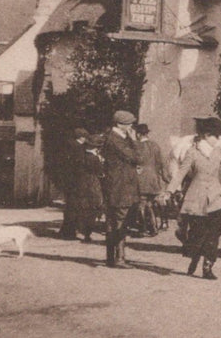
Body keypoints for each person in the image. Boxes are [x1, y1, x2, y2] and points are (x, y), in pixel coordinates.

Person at [178, 117, 221, 279]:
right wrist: (169, 191)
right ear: (206, 135)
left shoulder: (218, 151)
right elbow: (181, 173)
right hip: (197, 198)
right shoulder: (192, 152)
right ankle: (195, 256)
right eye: (216, 136)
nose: (218, 139)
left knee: (215, 232)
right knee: (199, 233)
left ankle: (208, 266)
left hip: (216, 197)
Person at [101, 110, 143, 268]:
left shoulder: (115, 138)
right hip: (120, 187)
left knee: (114, 222)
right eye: (129, 124)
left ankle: (112, 258)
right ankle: (119, 259)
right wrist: (134, 140)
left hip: (117, 186)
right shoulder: (116, 140)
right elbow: (137, 157)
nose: (131, 127)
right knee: (120, 222)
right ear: (120, 125)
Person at [69, 134, 105, 243]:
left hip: (80, 184)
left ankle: (80, 230)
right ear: (96, 147)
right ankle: (87, 234)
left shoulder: (81, 155)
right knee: (93, 209)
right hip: (92, 184)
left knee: (82, 208)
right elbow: (101, 173)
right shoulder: (94, 158)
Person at [133, 123, 168, 237]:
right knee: (150, 204)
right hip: (153, 179)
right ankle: (154, 228)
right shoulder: (155, 145)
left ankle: (143, 229)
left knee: (141, 204)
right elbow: (161, 163)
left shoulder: (136, 146)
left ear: (138, 134)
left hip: (141, 178)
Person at [59, 128, 89, 239]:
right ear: (82, 137)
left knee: (70, 207)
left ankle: (66, 231)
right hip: (76, 182)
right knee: (74, 207)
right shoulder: (78, 148)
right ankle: (69, 232)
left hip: (69, 182)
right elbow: (79, 166)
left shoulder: (69, 146)